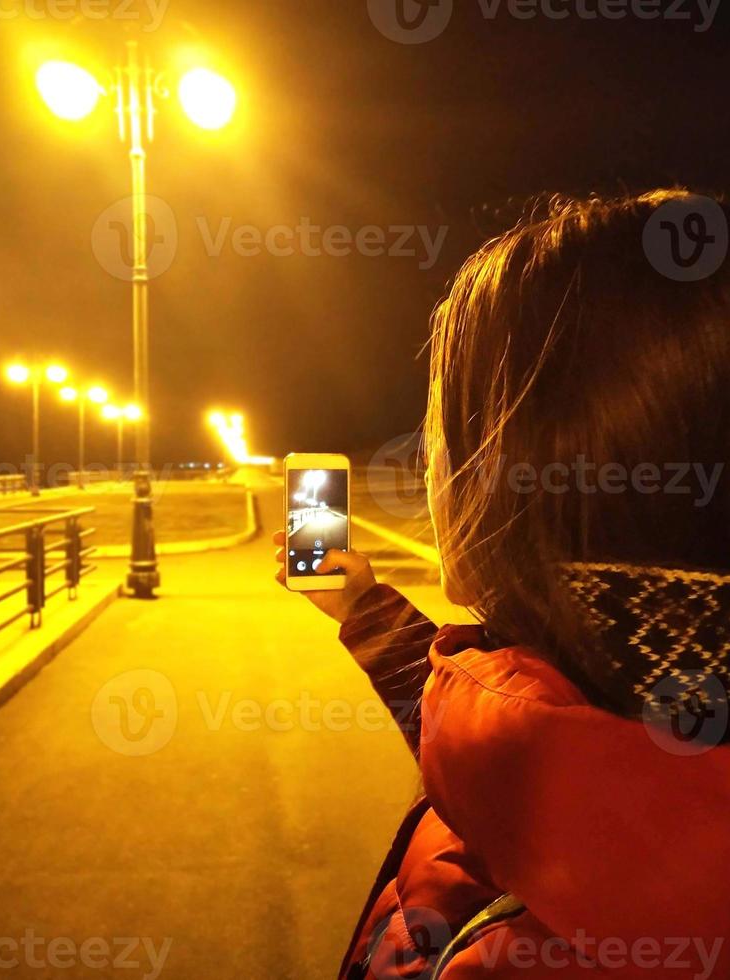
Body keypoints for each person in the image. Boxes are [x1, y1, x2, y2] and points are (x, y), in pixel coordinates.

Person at [274, 190, 730, 978]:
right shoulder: (634, 725)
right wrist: (365, 611)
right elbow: (536, 739)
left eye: (449, 428)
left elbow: (535, 756)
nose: (428, 465)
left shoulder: (528, 953)